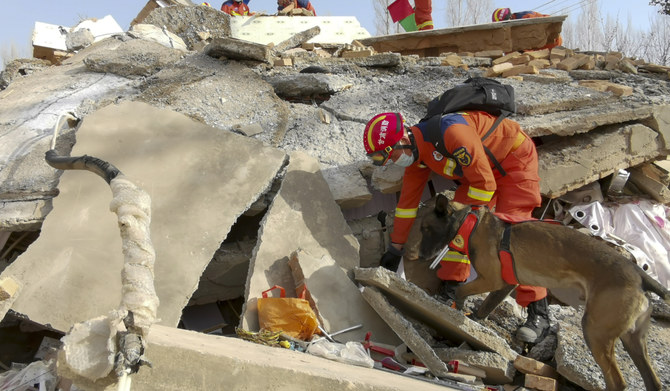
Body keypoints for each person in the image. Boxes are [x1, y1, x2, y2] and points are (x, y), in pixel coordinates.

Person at [363, 111, 550, 343]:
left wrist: (469, 218)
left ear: (403, 140)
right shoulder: (417, 158)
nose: (391, 162)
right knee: (457, 232)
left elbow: (486, 185)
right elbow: (406, 206)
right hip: (481, 174)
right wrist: (396, 247)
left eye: (389, 156)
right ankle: (452, 295)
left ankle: (538, 313)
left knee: (516, 235)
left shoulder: (452, 133)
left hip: (514, 161)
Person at [491, 8, 562, 49]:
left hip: (552, 46)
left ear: (510, 17)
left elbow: (551, 22)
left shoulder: (527, 17)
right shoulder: (508, 34)